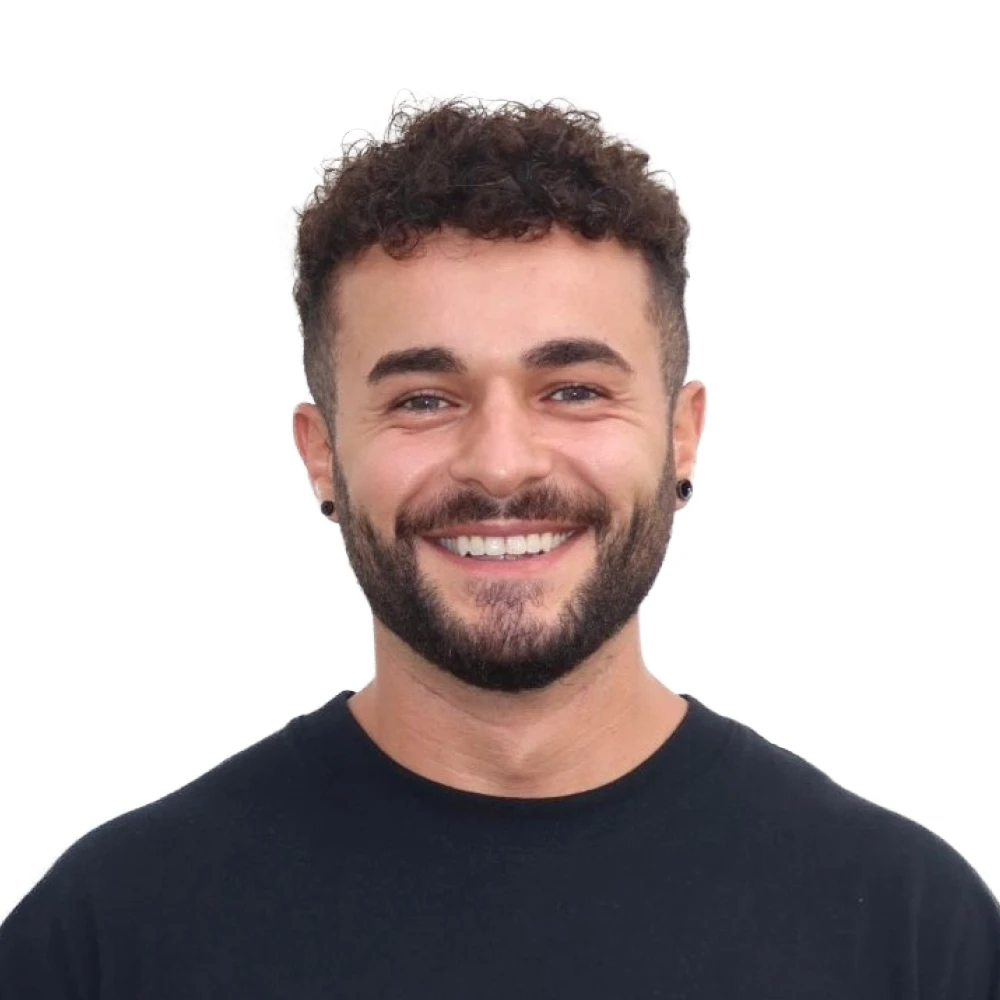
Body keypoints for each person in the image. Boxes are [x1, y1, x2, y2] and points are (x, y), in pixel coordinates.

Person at [2, 98, 997, 999]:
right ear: (323, 454)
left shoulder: (911, 935)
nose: (502, 464)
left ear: (681, 433)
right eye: (424, 399)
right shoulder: (108, 940)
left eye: (572, 388)